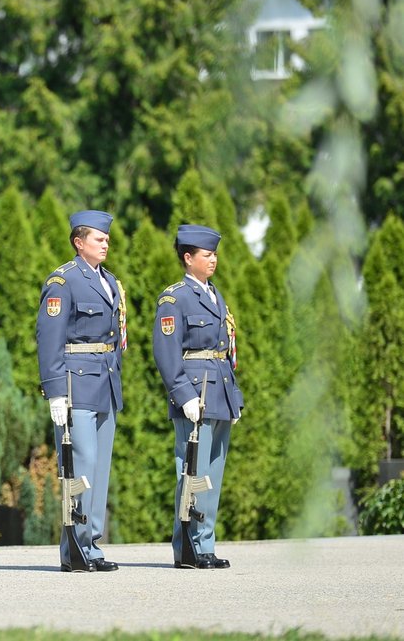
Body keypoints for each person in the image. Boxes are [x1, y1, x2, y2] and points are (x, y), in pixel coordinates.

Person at [36, 210, 126, 572]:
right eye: (98, 238)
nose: (105, 243)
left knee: (99, 467)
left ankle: (92, 543)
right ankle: (74, 545)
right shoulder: (64, 281)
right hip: (76, 382)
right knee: (81, 465)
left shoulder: (110, 281)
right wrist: (56, 391)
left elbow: (114, 338)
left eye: (106, 239)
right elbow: (49, 338)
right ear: (79, 242)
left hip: (104, 381)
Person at [152, 224, 242, 570]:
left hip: (218, 394)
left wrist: (233, 396)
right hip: (195, 396)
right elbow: (166, 351)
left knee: (213, 476)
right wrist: (182, 394)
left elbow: (224, 351)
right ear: (188, 258)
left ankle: (206, 542)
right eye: (207, 255)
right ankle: (187, 545)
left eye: (215, 254)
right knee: (193, 471)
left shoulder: (215, 295)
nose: (213, 260)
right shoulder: (175, 298)